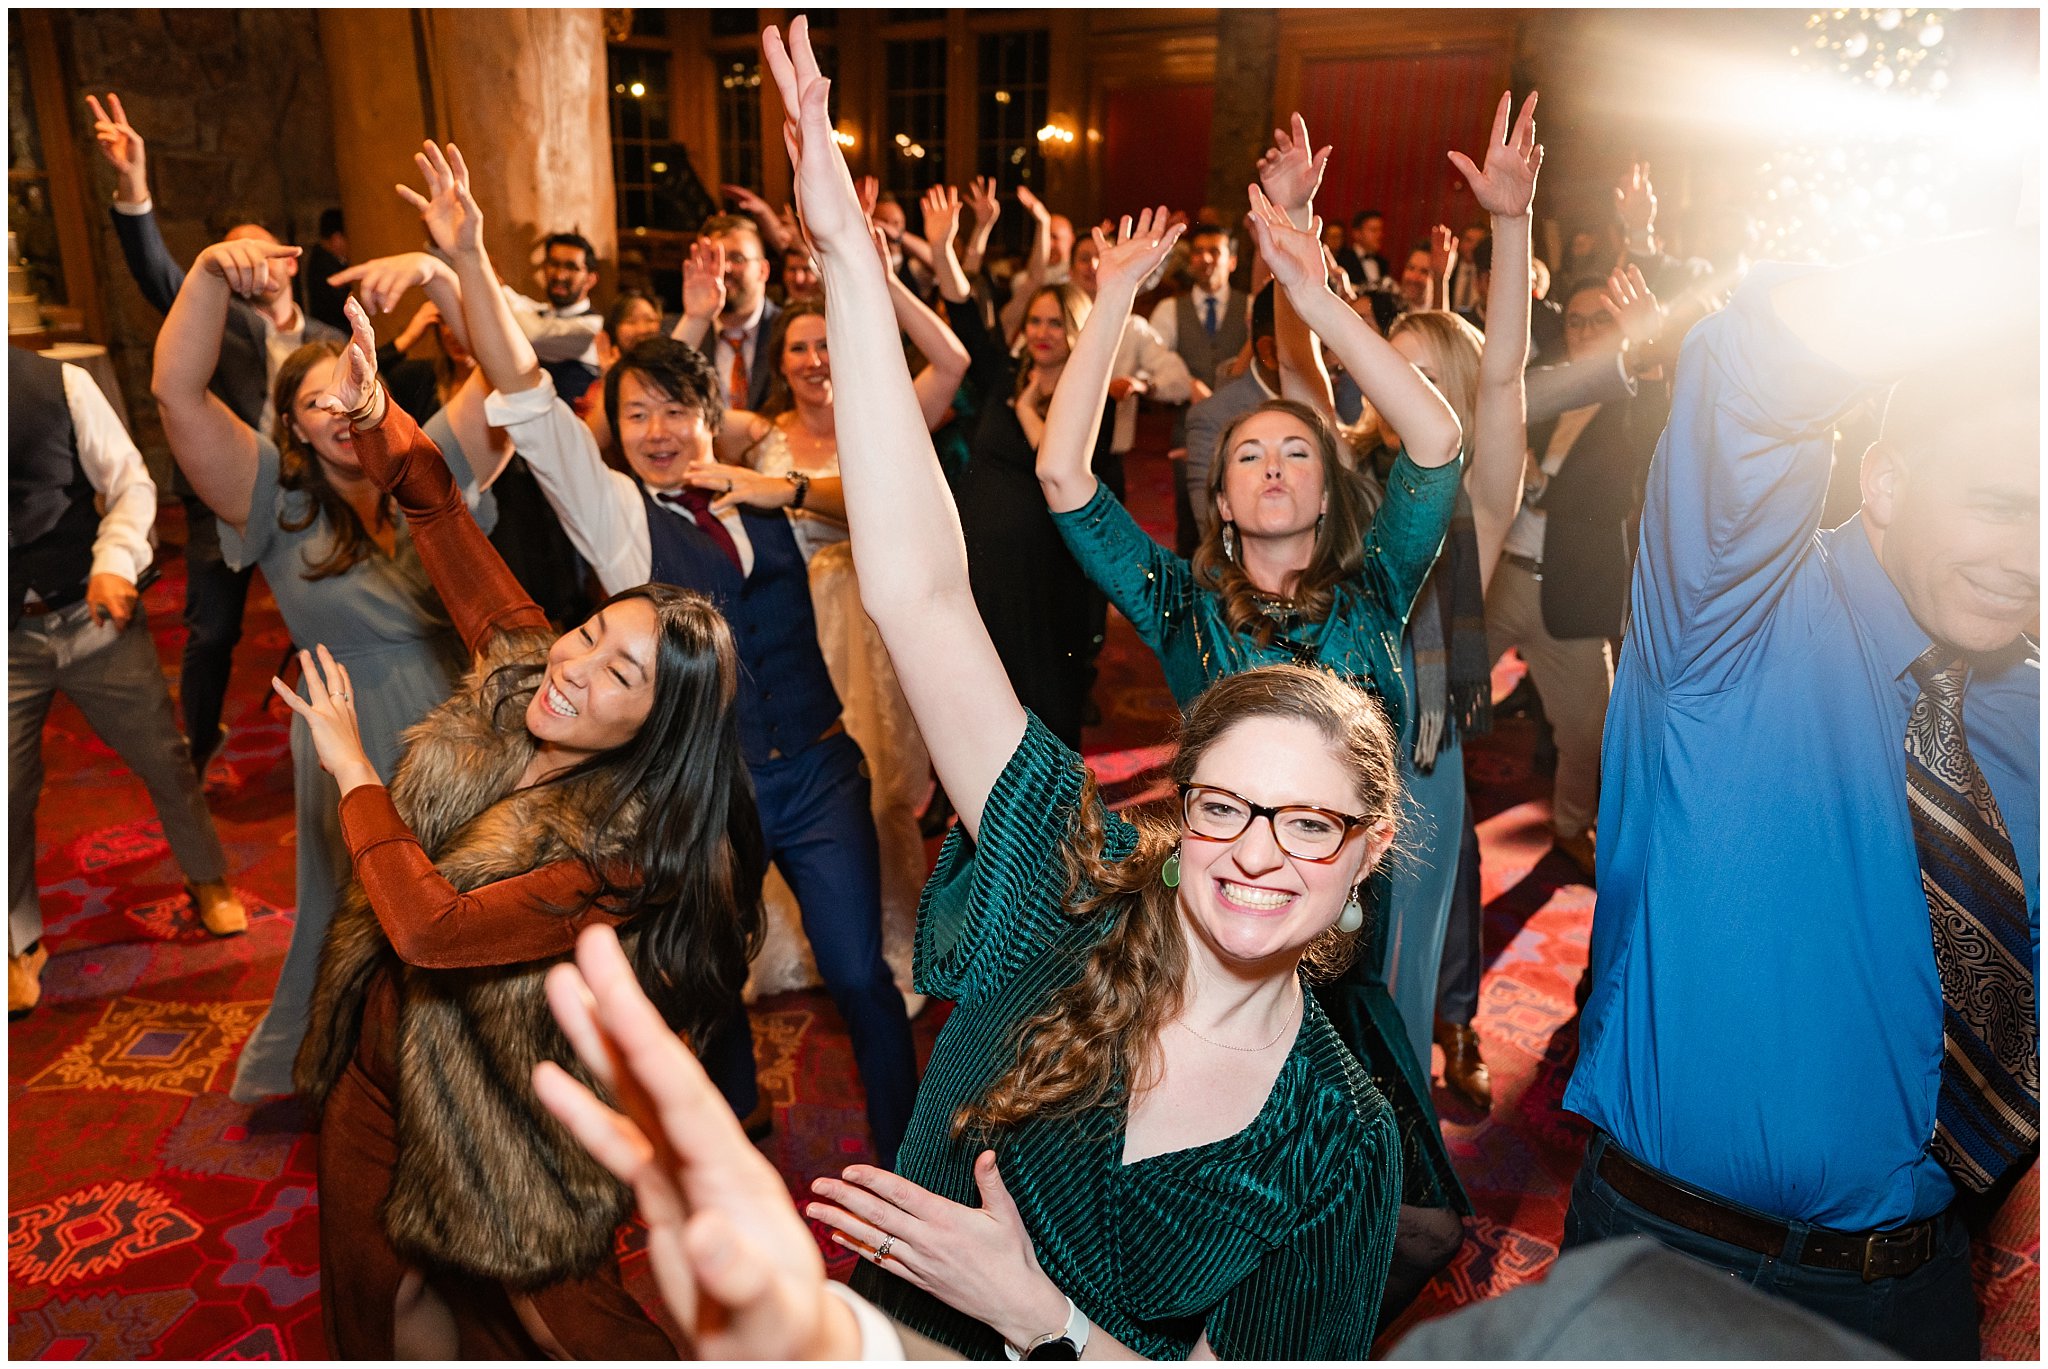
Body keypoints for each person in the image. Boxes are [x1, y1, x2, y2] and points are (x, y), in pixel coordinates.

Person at [765, 25, 1410, 1356]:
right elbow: (918, 594)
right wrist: (844, 256)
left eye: (1308, 822)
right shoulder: (1063, 887)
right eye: (1227, 807)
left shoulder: (1339, 1139)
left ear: (1370, 850)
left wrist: (1039, 1319)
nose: (1253, 853)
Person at [1562, 228, 2039, 1359]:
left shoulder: (2025, 715)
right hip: (1667, 1275)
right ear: (1883, 479)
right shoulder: (1727, 618)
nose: (2028, 555)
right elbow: (1749, 371)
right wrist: (2005, 272)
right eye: (1997, 503)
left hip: (1913, 1291)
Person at [412, 141, 916, 1164]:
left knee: (861, 973)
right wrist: (468, 258)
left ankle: (912, 1149)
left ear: (705, 414)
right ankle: (735, 1103)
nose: (654, 428)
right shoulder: (617, 521)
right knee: (710, 971)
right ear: (612, 423)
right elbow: (524, 395)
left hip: (819, 767)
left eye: (672, 410)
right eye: (633, 412)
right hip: (709, 784)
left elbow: (889, 505)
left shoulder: (756, 484)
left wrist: (783, 489)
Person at [285, 296, 762, 1358]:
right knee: (378, 1302)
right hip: (376, 1064)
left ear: (657, 722)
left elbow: (436, 931)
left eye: (618, 672)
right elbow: (434, 506)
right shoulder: (521, 669)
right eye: (588, 631)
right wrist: (375, 422)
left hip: (503, 1112)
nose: (573, 667)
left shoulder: (621, 853)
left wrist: (359, 772)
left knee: (573, 1325)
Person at [1041, 173, 1474, 1324]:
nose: (1273, 464)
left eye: (1296, 449)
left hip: (1346, 932)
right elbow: (1062, 478)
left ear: (1328, 487)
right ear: (1221, 504)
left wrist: (1310, 292)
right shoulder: (1185, 613)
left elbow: (1434, 434)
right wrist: (1112, 303)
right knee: (1217, 1159)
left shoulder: (1377, 588)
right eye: (1246, 458)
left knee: (1397, 1199)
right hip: (1216, 924)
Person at [149, 228, 498, 1103]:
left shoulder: (428, 470)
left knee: (477, 911)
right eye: (316, 402)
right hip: (354, 735)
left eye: (353, 389)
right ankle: (370, 1084)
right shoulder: (271, 495)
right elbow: (175, 390)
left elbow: (504, 378)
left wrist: (444, 269)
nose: (341, 411)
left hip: (466, 733)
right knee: (361, 923)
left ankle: (485, 1081)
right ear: (288, 425)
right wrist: (204, 276)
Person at [1259, 100, 1540, 1121]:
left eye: (1423, 371)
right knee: (1297, 948)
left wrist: (1509, 228)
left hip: (1417, 761)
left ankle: (1387, 1139)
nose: (1393, 383)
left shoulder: (1473, 499)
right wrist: (1297, 239)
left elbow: (1505, 375)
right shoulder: (1346, 473)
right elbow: (1302, 369)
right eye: (1389, 364)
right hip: (1314, 740)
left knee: (1398, 966)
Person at [89, 91, 345, 781]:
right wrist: (134, 184)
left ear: (291, 261)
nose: (245, 268)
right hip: (225, 497)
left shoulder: (330, 342)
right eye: (229, 263)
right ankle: (197, 750)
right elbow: (159, 274)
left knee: (331, 624)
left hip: (314, 495)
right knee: (211, 634)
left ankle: (347, 746)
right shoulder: (224, 325)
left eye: (256, 255)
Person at [9, 348, 249, 1016]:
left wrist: (114, 560)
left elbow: (131, 485)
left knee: (164, 757)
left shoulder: (58, 383)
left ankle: (208, 877)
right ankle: (15, 940)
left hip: (92, 613)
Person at [1485, 269, 1669, 881]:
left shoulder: (1633, 409)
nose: (1587, 330)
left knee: (1587, 732)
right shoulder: (1542, 392)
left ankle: (1569, 828)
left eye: (1602, 320)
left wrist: (1539, 484)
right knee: (1441, 692)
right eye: (1576, 321)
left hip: (1572, 594)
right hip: (1501, 577)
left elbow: (1624, 479)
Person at [928, 219, 1110, 749]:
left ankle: (1058, 818)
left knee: (1044, 700)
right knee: (977, 688)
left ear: (1077, 331)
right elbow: (965, 319)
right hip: (979, 566)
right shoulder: (1003, 380)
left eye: (1056, 323)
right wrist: (943, 249)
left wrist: (1030, 411)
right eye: (1035, 321)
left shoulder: (1094, 401)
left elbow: (1058, 467)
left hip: (1045, 577)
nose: (1043, 332)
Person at [675, 213, 783, 413]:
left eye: (737, 258)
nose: (725, 268)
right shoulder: (682, 334)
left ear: (763, 270)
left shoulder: (789, 329)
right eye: (714, 258)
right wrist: (696, 318)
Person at [510, 230, 605, 407]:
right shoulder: (538, 312)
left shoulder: (593, 326)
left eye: (571, 267)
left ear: (590, 279)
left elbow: (535, 334)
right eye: (553, 264)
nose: (560, 275)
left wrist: (498, 289)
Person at [304, 207, 351, 334]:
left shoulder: (323, 259)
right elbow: (342, 304)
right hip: (333, 332)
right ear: (337, 239)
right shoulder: (325, 265)